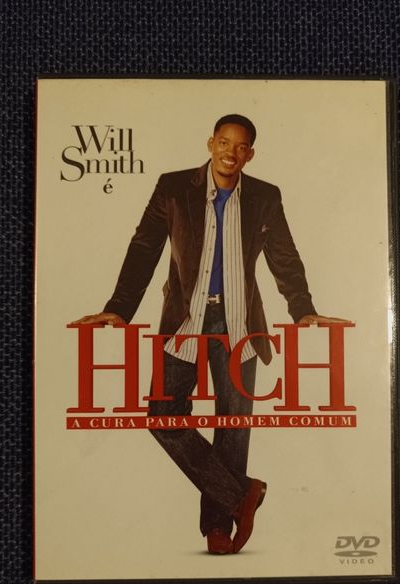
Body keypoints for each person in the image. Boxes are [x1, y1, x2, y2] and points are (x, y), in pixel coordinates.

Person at [74, 114, 347, 555]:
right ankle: (242, 494)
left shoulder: (265, 196)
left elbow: (284, 257)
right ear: (210, 143)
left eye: (240, 147)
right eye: (223, 142)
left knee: (233, 425)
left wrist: (303, 311)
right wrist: (119, 308)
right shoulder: (173, 188)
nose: (230, 152)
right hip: (185, 318)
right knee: (163, 417)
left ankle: (218, 526)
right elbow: (144, 247)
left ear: (250, 154)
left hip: (239, 323)